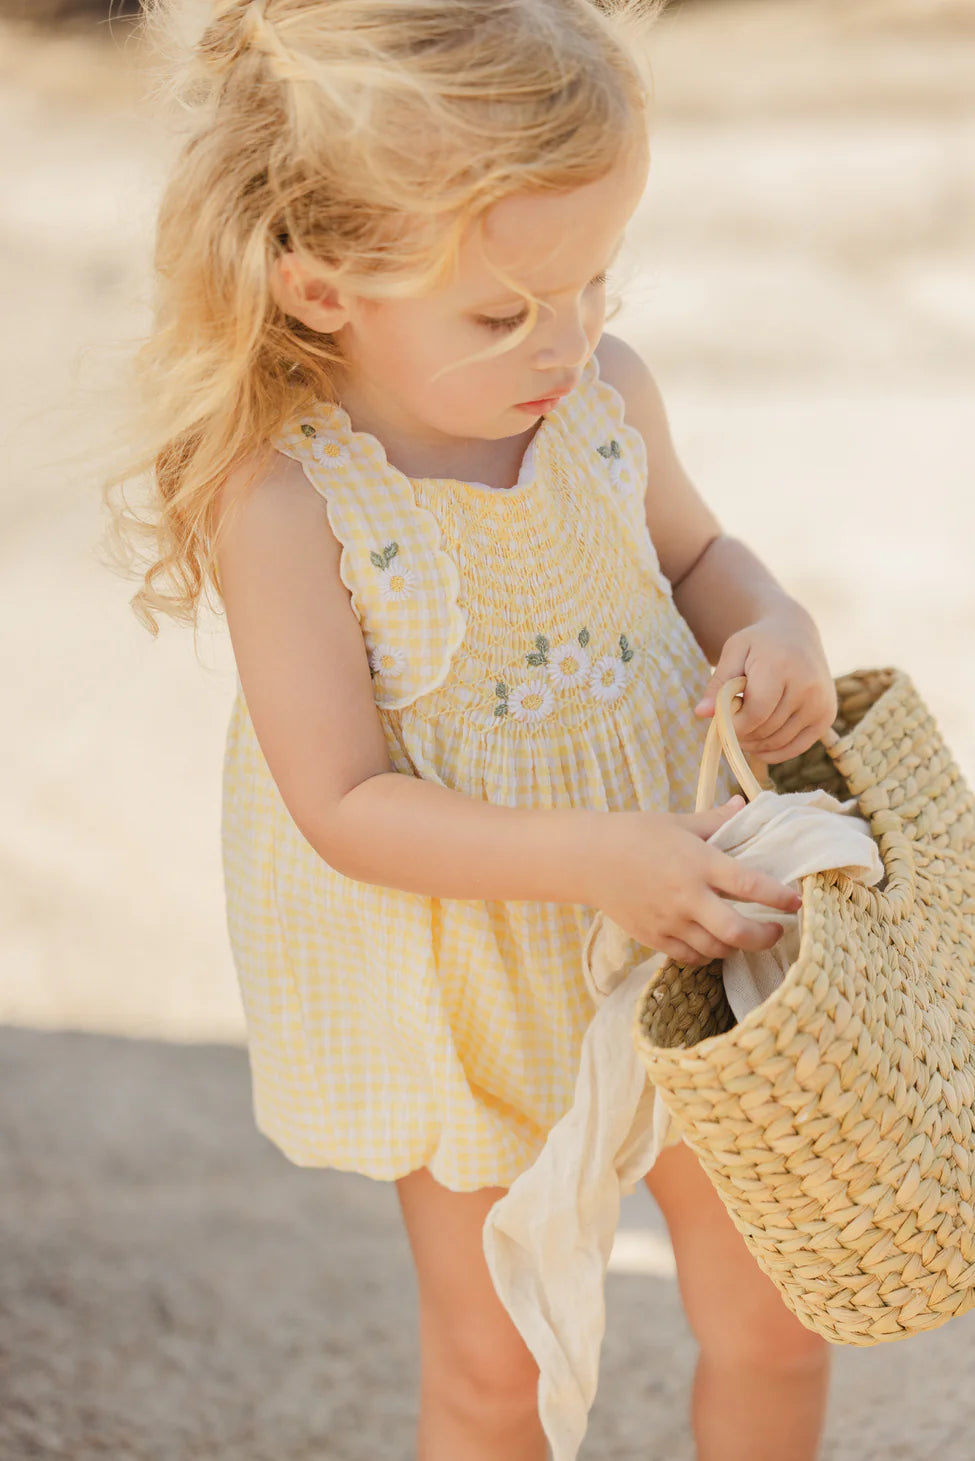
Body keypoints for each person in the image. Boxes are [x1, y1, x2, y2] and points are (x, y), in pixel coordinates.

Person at [115, 1, 840, 1457]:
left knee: (775, 1311)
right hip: (469, 990)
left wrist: (773, 626)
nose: (565, 339)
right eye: (503, 312)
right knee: (492, 1364)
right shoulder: (291, 500)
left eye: (591, 285)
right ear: (325, 289)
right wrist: (588, 858)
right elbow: (341, 800)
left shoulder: (602, 399)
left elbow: (701, 557)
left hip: (684, 927)